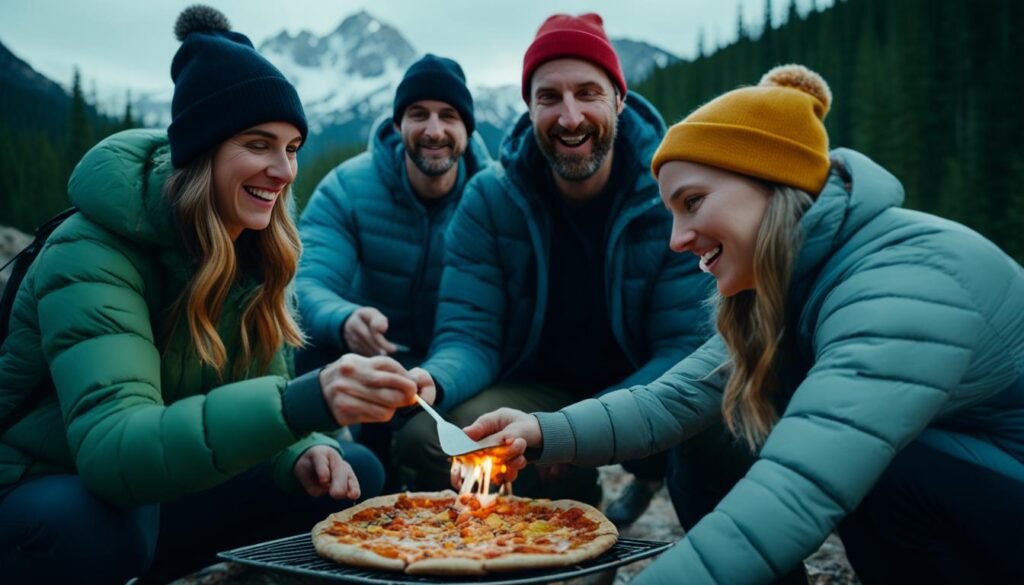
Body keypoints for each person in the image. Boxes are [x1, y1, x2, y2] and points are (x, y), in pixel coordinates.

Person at [461, 64, 1024, 584]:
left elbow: (798, 487)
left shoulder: (901, 281)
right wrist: (541, 431)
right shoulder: (787, 279)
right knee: (707, 431)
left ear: (769, 183)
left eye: (694, 202)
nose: (678, 239)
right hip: (971, 482)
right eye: (672, 213)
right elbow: (671, 401)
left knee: (885, 470)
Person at [0, 7, 433, 583]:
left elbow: (246, 397)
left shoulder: (257, 249)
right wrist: (304, 402)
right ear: (202, 151)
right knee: (101, 526)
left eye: (294, 147)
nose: (283, 171)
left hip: (160, 489)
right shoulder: (92, 253)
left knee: (351, 472)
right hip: (49, 484)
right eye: (259, 145)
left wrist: (297, 450)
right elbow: (113, 452)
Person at [399, 13, 709, 523]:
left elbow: (682, 348)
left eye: (588, 93)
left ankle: (649, 483)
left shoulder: (671, 195)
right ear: (529, 106)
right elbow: (469, 333)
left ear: (620, 100)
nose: (569, 118)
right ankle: (543, 535)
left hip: (645, 384)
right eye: (549, 97)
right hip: (538, 388)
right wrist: (434, 380)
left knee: (711, 429)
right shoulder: (490, 199)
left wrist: (565, 430)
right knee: (425, 440)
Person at [296, 54, 491, 371]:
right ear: (398, 125)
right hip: (361, 358)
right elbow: (306, 283)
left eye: (448, 115)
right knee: (309, 354)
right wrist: (343, 318)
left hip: (453, 366)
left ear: (467, 128)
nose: (434, 130)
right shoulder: (346, 188)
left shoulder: (491, 198)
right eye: (418, 114)